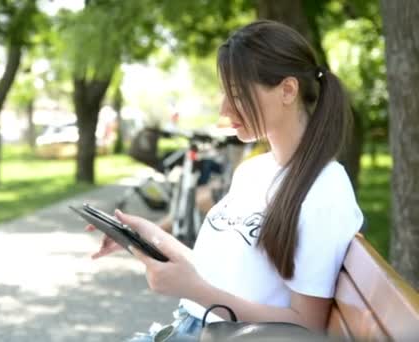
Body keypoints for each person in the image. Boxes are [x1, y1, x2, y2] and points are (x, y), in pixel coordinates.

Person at [84, 20, 363, 341]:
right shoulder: (253, 171)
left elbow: (306, 326)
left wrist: (195, 291)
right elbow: (214, 271)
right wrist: (146, 237)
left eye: (237, 95)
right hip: (189, 327)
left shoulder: (325, 191)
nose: (224, 109)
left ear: (288, 90)